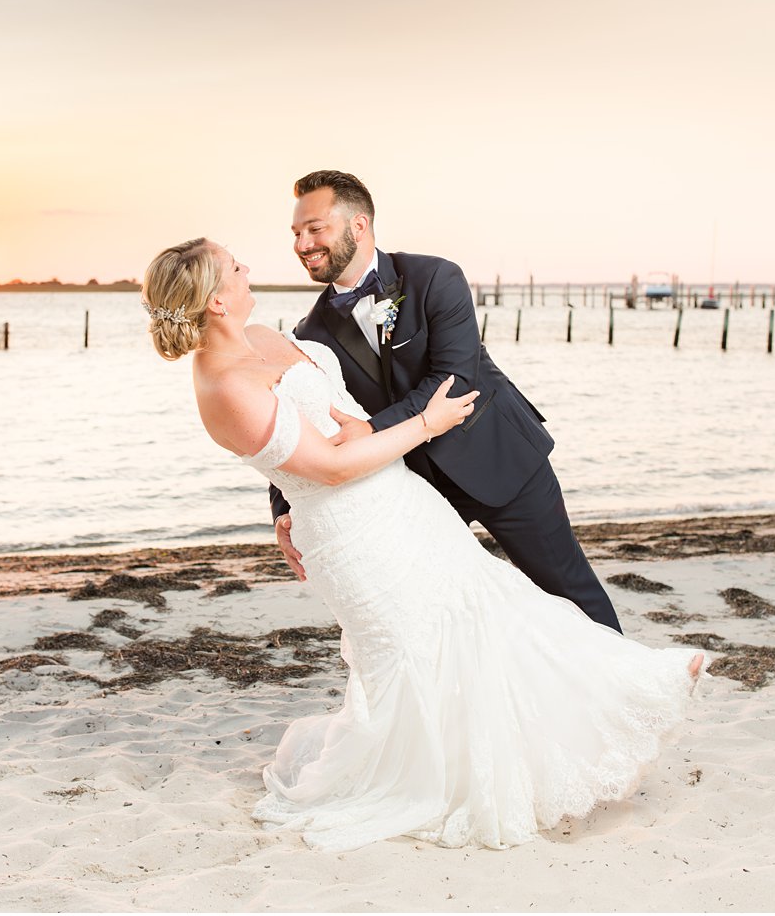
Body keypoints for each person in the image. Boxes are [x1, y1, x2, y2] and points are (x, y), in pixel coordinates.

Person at [143, 236, 705, 851]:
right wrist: (422, 426)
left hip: (401, 504)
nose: (249, 267)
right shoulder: (224, 386)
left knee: (490, 615)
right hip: (352, 534)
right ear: (217, 300)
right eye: (234, 266)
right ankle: (457, 774)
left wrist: (355, 428)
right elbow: (323, 469)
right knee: (417, 656)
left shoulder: (272, 338)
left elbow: (333, 421)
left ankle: (617, 700)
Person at [272, 169, 623, 632]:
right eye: (297, 232)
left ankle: (633, 692)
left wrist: (373, 430)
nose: (302, 244)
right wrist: (284, 508)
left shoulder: (435, 276)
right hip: (414, 490)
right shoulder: (310, 333)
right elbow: (301, 421)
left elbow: (456, 381)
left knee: (566, 588)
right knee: (430, 611)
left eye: (315, 229)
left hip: (502, 458)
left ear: (359, 225)